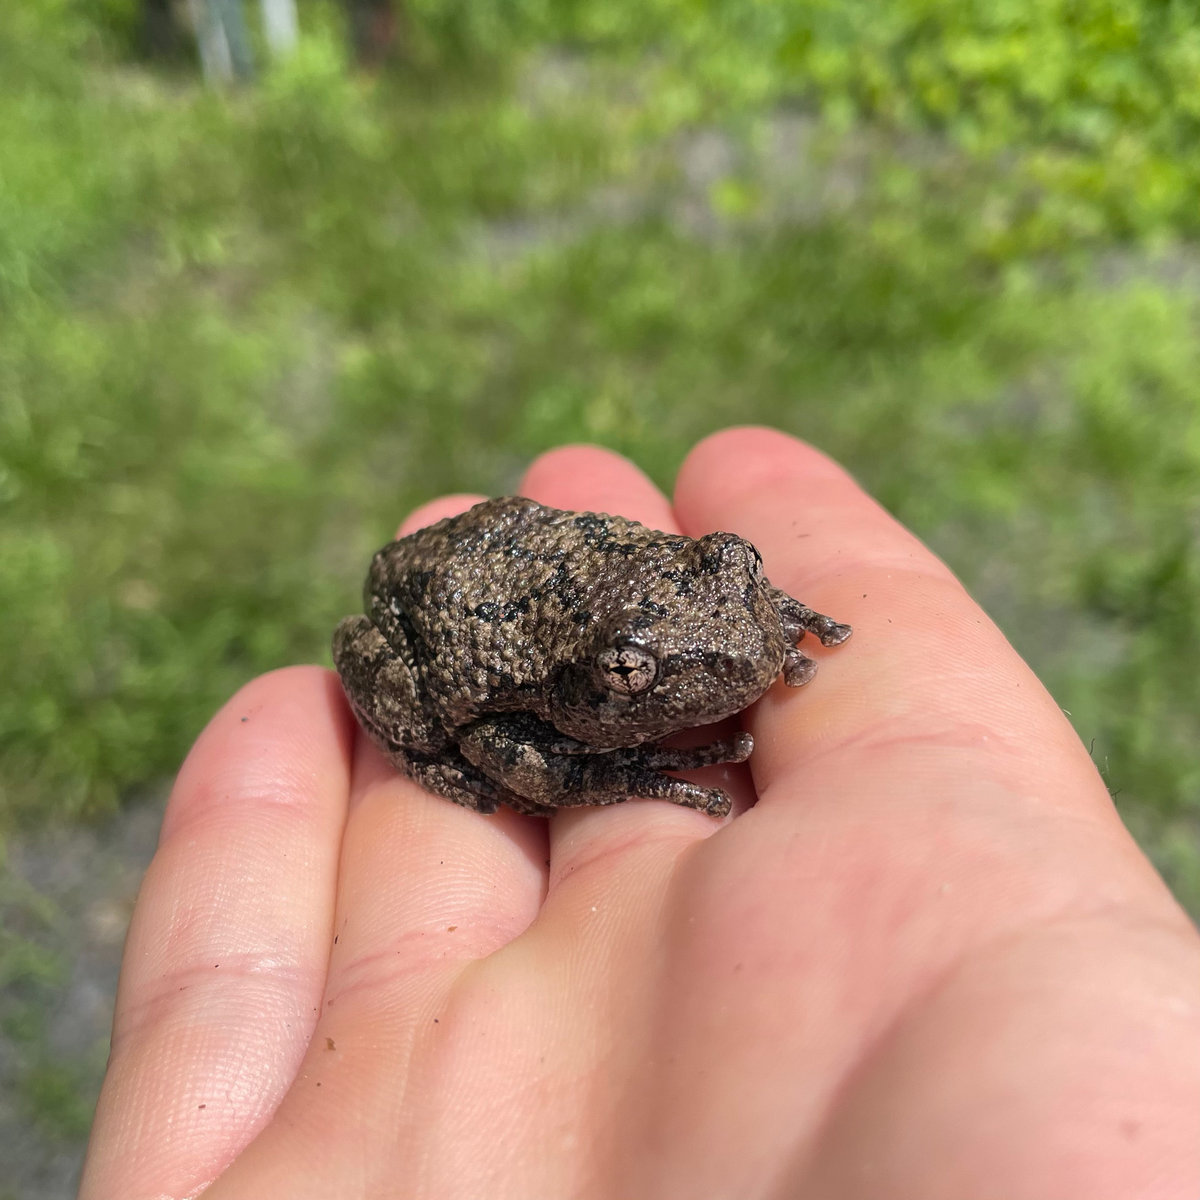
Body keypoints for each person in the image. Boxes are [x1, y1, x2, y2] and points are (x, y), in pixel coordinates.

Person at [78, 428, 1200, 1198]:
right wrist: (600, 774)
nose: (737, 647)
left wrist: (757, 608)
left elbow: (708, 582)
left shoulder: (700, 580)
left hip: (536, 559)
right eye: (636, 677)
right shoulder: (553, 683)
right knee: (430, 712)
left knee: (686, 613)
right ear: (602, 681)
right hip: (442, 629)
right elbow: (488, 735)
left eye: (744, 577)